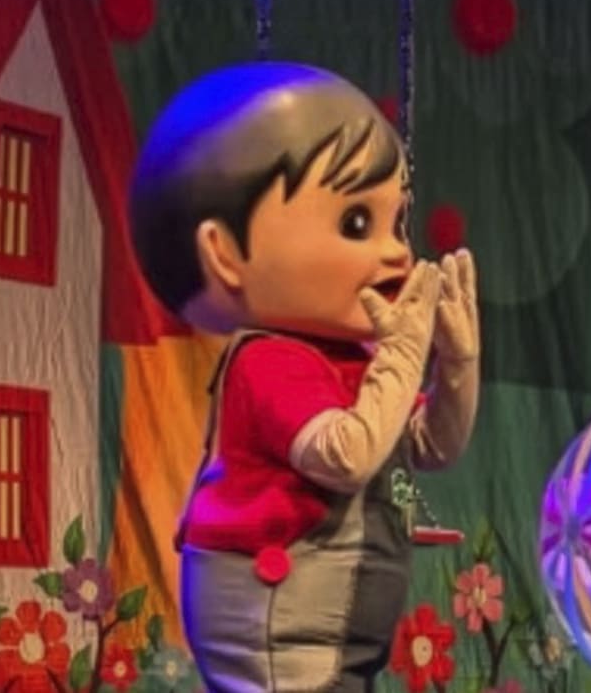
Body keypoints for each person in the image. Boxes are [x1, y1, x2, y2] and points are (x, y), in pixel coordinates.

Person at [130, 61, 480, 691]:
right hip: (279, 625)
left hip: (334, 637)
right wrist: (403, 352)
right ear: (225, 254)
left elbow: (428, 444)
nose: (397, 251)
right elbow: (347, 456)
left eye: (397, 222)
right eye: (356, 223)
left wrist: (456, 364)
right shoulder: (270, 361)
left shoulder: (351, 359)